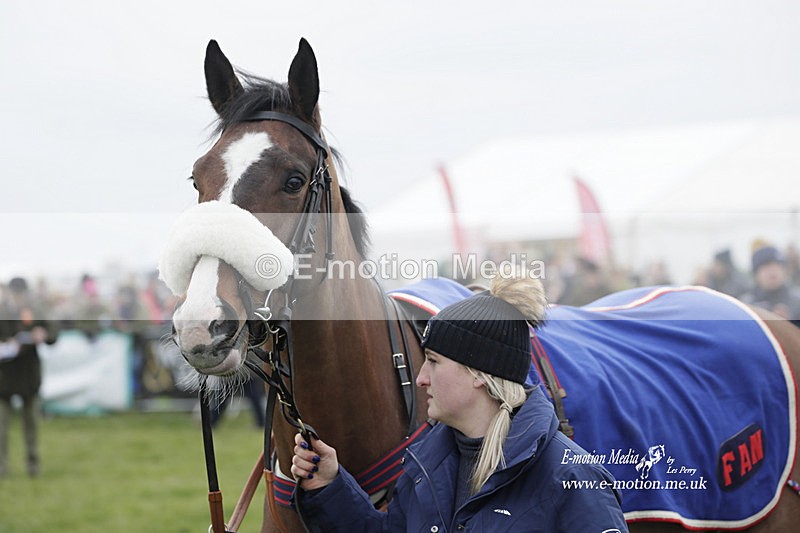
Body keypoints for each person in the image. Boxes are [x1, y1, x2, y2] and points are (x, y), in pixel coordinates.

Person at [290, 274, 628, 532]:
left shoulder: (572, 478)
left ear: (479, 374)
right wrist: (330, 486)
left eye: (434, 361)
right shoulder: (427, 463)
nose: (421, 378)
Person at [0, 277, 58, 477]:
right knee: (1, 426)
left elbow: (53, 333)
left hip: (29, 377)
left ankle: (33, 465)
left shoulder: (36, 310)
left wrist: (44, 334)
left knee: (31, 425)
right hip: (4, 377)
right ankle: (2, 467)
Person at [741, 245, 800, 327]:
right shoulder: (746, 305)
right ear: (756, 273)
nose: (772, 270)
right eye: (766, 266)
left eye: (777, 265)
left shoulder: (797, 300)